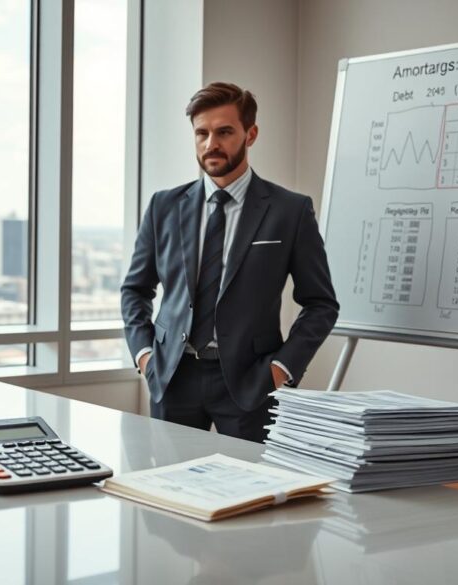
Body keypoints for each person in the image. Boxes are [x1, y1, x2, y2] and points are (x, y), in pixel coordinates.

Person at [121, 81, 338, 443]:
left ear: (250, 134)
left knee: (254, 492)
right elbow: (135, 289)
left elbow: (321, 303)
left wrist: (281, 369)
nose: (211, 145)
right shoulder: (163, 206)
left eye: (224, 132)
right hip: (172, 376)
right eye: (201, 133)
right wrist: (145, 356)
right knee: (170, 492)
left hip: (250, 381)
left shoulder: (290, 211)